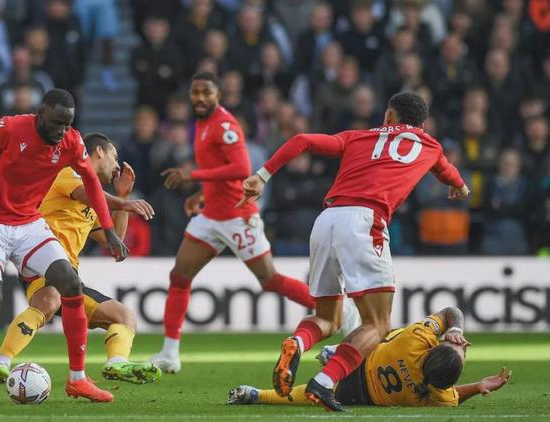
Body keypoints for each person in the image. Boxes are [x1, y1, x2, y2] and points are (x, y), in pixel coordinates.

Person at [239, 92, 470, 411]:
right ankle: (324, 381)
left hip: (327, 219)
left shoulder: (357, 137)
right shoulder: (430, 146)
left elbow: (302, 140)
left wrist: (262, 175)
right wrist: (460, 186)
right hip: (365, 222)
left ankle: (298, 342)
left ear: (389, 116)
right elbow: (447, 171)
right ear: (422, 124)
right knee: (377, 325)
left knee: (327, 317)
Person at [0, 89, 129, 405]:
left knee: (70, 283)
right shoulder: (9, 128)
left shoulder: (71, 142)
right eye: (56, 123)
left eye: (67, 124)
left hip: (28, 224)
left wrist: (109, 231)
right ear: (41, 114)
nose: (61, 131)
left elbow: (92, 183)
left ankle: (78, 379)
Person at [150, 72, 316, 374]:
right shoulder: (201, 124)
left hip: (238, 217)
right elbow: (220, 170)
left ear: (218, 95)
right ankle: (170, 353)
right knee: (180, 276)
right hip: (211, 216)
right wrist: (202, 194)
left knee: (270, 281)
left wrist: (192, 176)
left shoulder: (225, 126)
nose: (200, 98)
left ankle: (336, 308)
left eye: (207, 92)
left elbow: (241, 168)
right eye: (196, 92)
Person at [0, 132, 159, 387]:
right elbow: (87, 195)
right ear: (99, 152)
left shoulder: (95, 200)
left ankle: (116, 362)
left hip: (69, 276)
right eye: (114, 157)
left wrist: (124, 196)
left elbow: (115, 241)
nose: (117, 166)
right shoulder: (68, 172)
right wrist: (123, 203)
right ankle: (0, 362)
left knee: (124, 316)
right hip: (42, 259)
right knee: (49, 300)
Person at [228, 307, 511, 408]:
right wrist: (477, 386)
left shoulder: (417, 340)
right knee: (310, 394)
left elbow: (451, 312)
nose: (464, 345)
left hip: (361, 360)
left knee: (377, 329)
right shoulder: (438, 396)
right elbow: (453, 396)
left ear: (434, 348)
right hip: (356, 395)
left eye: (461, 348)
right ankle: (256, 395)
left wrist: (455, 329)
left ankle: (337, 352)